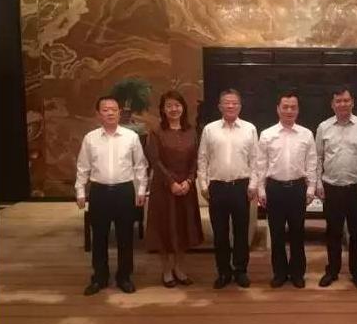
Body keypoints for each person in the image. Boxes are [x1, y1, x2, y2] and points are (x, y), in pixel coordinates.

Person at [76, 96, 148, 295]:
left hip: (124, 191)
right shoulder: (90, 138)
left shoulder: (131, 137)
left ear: (119, 112)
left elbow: (140, 165)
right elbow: (83, 166)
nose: (110, 113)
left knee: (126, 237)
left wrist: (141, 189)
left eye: (113, 109)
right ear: (98, 114)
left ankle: (124, 277)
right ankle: (99, 277)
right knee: (99, 237)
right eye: (105, 109)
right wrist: (80, 190)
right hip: (99, 192)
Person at [251, 90, 317, 288]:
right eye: (285, 107)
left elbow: (312, 163)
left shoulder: (306, 134)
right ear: (278, 109)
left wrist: (311, 188)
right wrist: (261, 190)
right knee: (277, 234)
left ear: (298, 110)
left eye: (293, 107)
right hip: (275, 189)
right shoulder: (267, 134)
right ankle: (279, 273)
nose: (289, 111)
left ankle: (297, 273)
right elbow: (260, 165)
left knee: (298, 233)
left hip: (297, 188)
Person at [315, 86, 357, 290]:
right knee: (333, 232)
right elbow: (318, 158)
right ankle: (332, 270)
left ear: (352, 102)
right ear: (332, 104)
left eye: (346, 100)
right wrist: (318, 183)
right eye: (338, 101)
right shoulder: (323, 127)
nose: (342, 104)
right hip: (331, 187)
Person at [197, 89, 258, 289]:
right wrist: (203, 185)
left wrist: (253, 185)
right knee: (220, 233)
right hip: (217, 187)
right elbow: (202, 159)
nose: (230, 106)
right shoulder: (210, 129)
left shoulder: (249, 129)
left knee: (241, 232)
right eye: (226, 102)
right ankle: (223, 272)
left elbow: (255, 160)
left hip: (241, 187)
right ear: (220, 106)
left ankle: (240, 270)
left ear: (240, 106)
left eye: (234, 103)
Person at [145, 90, 203, 288]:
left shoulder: (191, 131)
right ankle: (166, 270)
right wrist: (171, 182)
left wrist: (189, 180)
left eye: (177, 105)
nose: (173, 109)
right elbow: (155, 160)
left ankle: (179, 268)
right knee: (164, 229)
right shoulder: (156, 132)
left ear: (183, 108)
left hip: (186, 187)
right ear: (163, 109)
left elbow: (196, 159)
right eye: (169, 105)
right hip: (164, 188)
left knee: (183, 228)